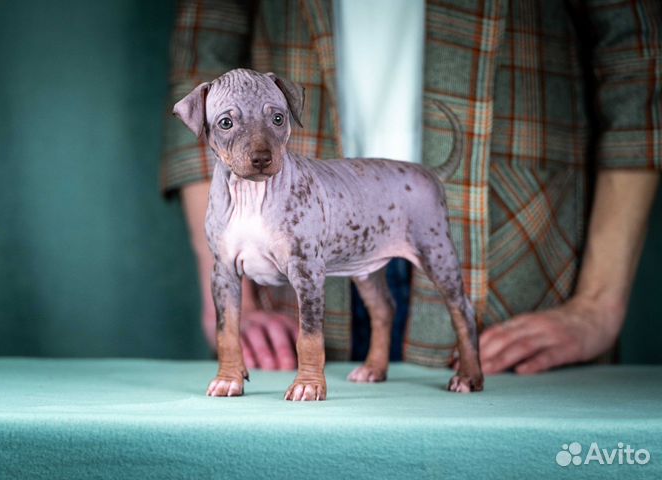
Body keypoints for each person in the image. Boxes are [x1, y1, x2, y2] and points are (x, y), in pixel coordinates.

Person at [161, 0, 660, 375]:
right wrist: (230, 301)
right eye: (225, 123)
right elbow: (204, 39)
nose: (260, 143)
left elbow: (636, 55)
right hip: (290, 246)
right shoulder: (212, 115)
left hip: (507, 237)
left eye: (276, 118)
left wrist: (599, 301)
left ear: (289, 111)